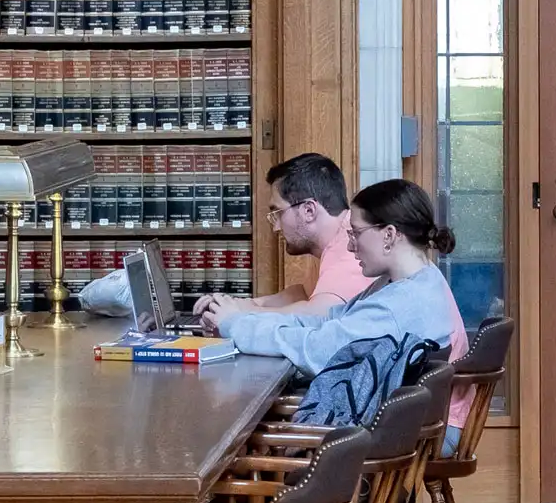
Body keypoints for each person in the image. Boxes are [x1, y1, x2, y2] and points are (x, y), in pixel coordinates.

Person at [202, 180, 466, 425]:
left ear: (389, 235)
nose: (350, 248)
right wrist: (240, 318)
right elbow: (329, 320)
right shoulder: (416, 280)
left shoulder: (398, 305)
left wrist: (235, 326)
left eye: (356, 234)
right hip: (401, 424)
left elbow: (317, 350)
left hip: (390, 436)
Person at [194, 152, 367, 325]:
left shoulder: (350, 244)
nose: (276, 227)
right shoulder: (334, 240)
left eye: (278, 213)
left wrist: (240, 314)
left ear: (309, 210)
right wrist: (240, 304)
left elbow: (318, 315)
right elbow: (302, 294)